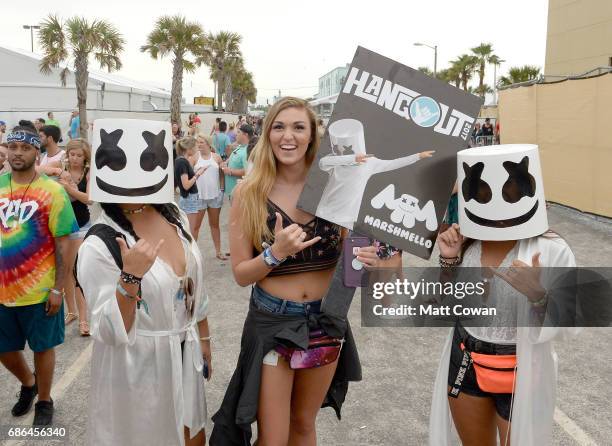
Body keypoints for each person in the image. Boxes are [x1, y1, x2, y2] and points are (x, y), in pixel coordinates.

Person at [210, 97, 370, 444]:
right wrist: (275, 252)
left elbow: (351, 264)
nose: (289, 136)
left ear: (313, 135)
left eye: (299, 127)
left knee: (303, 424)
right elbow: (241, 274)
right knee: (273, 437)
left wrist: (368, 255)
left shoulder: (336, 187)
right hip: (273, 324)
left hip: (326, 321)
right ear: (267, 134)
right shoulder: (249, 194)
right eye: (279, 126)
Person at [429, 145, 578, 446]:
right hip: (466, 360)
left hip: (521, 368)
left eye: (511, 193)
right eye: (485, 194)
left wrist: (536, 294)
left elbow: (569, 319)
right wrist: (448, 260)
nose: (498, 205)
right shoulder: (465, 239)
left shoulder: (550, 249)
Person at [77, 202, 211, 446]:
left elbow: (193, 282)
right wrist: (130, 277)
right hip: (137, 368)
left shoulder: (172, 212)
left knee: (193, 436)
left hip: (184, 354)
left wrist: (203, 336)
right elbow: (109, 331)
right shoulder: (100, 243)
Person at [0, 123, 78, 425]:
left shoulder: (52, 192)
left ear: (37, 150)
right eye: (14, 147)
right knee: (5, 350)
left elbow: (64, 244)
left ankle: (44, 400)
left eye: (26, 148)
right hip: (3, 290)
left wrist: (59, 288)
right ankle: (29, 384)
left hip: (40, 290)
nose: (18, 153)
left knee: (43, 348)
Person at [315, 118, 434, 230]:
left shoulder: (370, 162)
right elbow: (322, 163)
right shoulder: (334, 161)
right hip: (324, 212)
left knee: (342, 249)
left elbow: (394, 163)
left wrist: (418, 156)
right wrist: (352, 158)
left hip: (347, 216)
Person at [58, 139, 92, 336]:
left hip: (81, 225)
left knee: (77, 271)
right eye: (72, 155)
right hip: (62, 226)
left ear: (85, 157)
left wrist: (70, 188)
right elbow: (39, 169)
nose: (76, 159)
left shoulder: (88, 173)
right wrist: (57, 171)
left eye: (80, 155)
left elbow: (90, 199)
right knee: (66, 271)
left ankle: (84, 320)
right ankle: (72, 311)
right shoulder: (60, 169)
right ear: (67, 154)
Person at [194, 135, 227, 257]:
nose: (199, 144)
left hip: (215, 197)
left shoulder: (216, 157)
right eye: (197, 142)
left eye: (201, 142)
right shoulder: (195, 157)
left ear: (208, 143)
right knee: (195, 226)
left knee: (215, 225)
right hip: (199, 197)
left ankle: (218, 251)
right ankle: (193, 254)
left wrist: (222, 190)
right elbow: (186, 173)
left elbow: (222, 174)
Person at [175, 136, 206, 237]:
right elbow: (186, 185)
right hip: (189, 198)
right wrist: (198, 174)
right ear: (189, 149)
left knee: (188, 230)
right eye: (196, 147)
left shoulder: (180, 160)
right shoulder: (182, 162)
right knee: (190, 232)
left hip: (188, 198)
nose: (197, 150)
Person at [221, 123, 252, 201]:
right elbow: (233, 156)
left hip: (238, 193)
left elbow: (247, 171)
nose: (235, 135)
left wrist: (230, 171)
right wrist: (226, 162)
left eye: (238, 132)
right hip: (231, 191)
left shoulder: (247, 151)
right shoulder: (240, 146)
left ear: (245, 134)